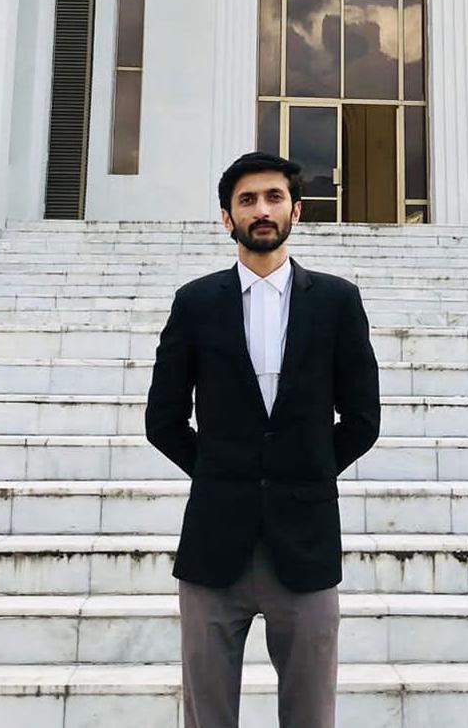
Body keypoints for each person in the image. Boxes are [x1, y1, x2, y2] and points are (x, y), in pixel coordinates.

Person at [145, 150, 381, 728]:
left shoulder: (337, 301)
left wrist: (304, 471)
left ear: (296, 211)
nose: (262, 210)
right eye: (247, 200)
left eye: (274, 197)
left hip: (305, 541)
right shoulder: (195, 303)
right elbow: (163, 420)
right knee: (207, 715)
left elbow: (363, 418)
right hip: (214, 544)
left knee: (311, 714)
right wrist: (221, 470)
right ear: (228, 218)